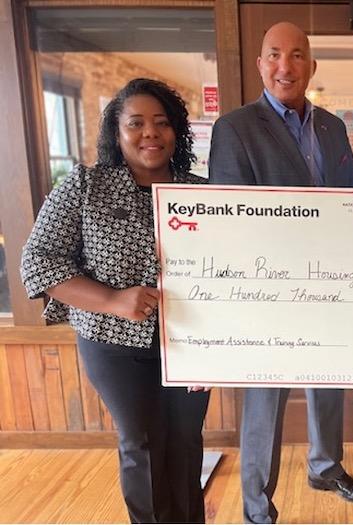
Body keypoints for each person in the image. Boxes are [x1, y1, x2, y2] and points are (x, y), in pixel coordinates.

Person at [20, 78, 210, 524]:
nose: (150, 133)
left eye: (162, 124)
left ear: (176, 132)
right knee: (140, 443)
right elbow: (38, 262)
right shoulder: (85, 186)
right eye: (136, 123)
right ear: (117, 131)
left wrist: (220, 348)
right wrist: (111, 299)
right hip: (112, 344)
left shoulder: (201, 190)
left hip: (190, 343)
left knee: (185, 440)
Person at [208, 21, 353, 524]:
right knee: (265, 397)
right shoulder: (235, 128)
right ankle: (258, 507)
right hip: (268, 291)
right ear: (261, 64)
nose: (286, 66)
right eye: (275, 55)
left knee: (328, 379)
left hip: (330, 282)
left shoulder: (331, 126)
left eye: (297, 55)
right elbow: (230, 217)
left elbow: (349, 203)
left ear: (311, 66)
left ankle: (325, 466)